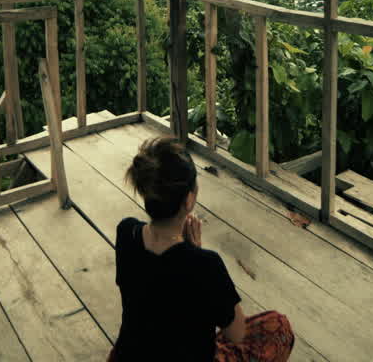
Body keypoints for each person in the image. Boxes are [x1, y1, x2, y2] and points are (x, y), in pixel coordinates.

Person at [109, 136, 295, 362]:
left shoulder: (126, 232)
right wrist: (195, 251)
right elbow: (236, 334)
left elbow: (158, 288)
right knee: (279, 327)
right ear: (188, 200)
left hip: (132, 355)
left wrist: (191, 252)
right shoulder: (205, 265)